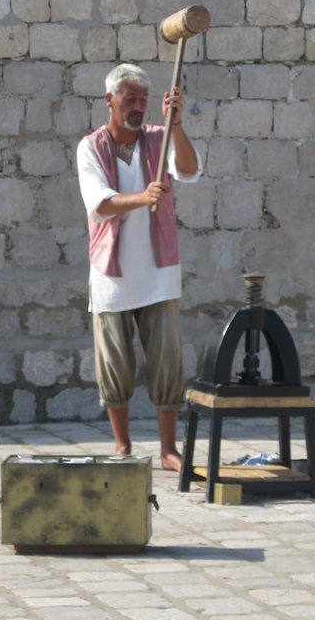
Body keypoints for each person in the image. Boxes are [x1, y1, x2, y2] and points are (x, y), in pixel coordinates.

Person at [76, 63, 202, 472]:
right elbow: (100, 204)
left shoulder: (158, 138)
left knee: (167, 361)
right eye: (129, 99)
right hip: (112, 274)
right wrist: (141, 196)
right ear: (109, 100)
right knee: (115, 364)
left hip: (157, 272)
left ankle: (168, 450)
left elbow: (188, 170)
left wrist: (177, 125)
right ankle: (122, 445)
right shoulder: (90, 147)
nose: (138, 107)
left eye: (143, 100)